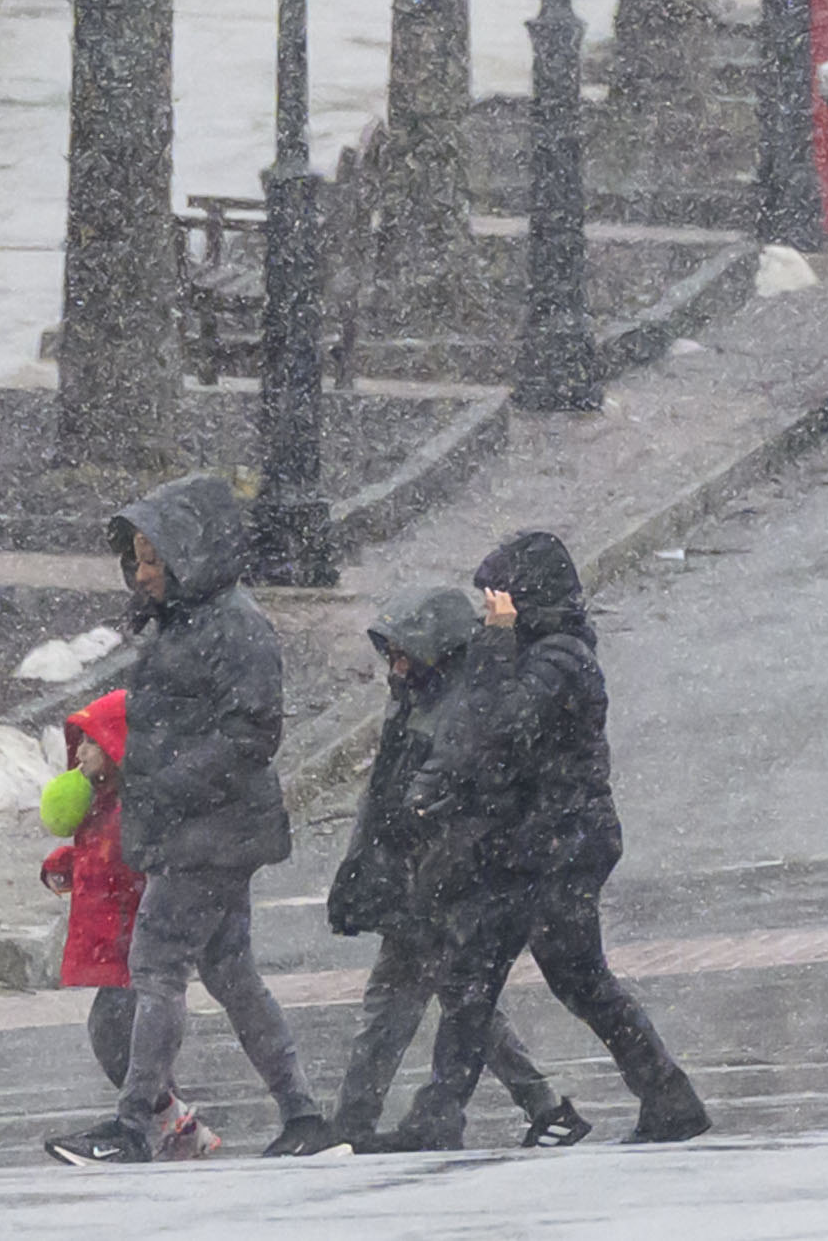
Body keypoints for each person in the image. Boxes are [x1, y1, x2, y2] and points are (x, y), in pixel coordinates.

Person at [43, 474, 348, 1165]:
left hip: (206, 833)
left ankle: (134, 1126)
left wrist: (165, 787)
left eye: (155, 557)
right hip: (203, 827)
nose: (143, 571)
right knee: (231, 971)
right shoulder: (184, 620)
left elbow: (250, 732)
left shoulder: (234, 625)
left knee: (154, 969)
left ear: (192, 554)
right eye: (139, 558)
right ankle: (303, 1115)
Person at [384, 531, 709, 1150]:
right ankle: (438, 1113)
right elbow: (480, 732)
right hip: (524, 845)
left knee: (575, 978)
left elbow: (504, 724)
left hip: (562, 843)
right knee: (474, 979)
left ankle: (669, 1096)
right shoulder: (532, 651)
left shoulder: (560, 658)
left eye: (497, 599)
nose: (489, 611)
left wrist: (498, 642)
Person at [325, 588, 585, 1151]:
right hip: (419, 880)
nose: (395, 665)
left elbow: (441, 795)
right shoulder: (416, 699)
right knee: (463, 1002)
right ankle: (543, 1105)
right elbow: (386, 797)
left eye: (404, 653)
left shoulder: (454, 709)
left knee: (401, 1005)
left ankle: (352, 1123)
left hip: (435, 882)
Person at [38, 689, 220, 1158]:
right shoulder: (101, 802)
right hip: (113, 940)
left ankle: (158, 1119)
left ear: (116, 746)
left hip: (134, 939)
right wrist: (65, 863)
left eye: (90, 743)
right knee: (116, 1032)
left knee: (120, 1028)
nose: (79, 754)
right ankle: (172, 1120)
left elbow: (131, 863)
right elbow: (94, 855)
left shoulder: (135, 807)